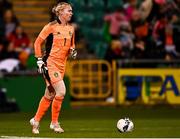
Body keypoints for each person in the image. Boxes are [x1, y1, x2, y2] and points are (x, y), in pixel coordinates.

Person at [30, 2, 77, 134]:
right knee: (61, 91)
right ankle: (54, 123)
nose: (71, 13)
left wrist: (72, 51)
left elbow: (71, 46)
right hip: (50, 63)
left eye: (71, 11)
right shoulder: (50, 26)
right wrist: (39, 59)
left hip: (62, 65)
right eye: (69, 11)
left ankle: (36, 120)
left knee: (50, 94)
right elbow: (37, 43)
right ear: (61, 12)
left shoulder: (71, 29)